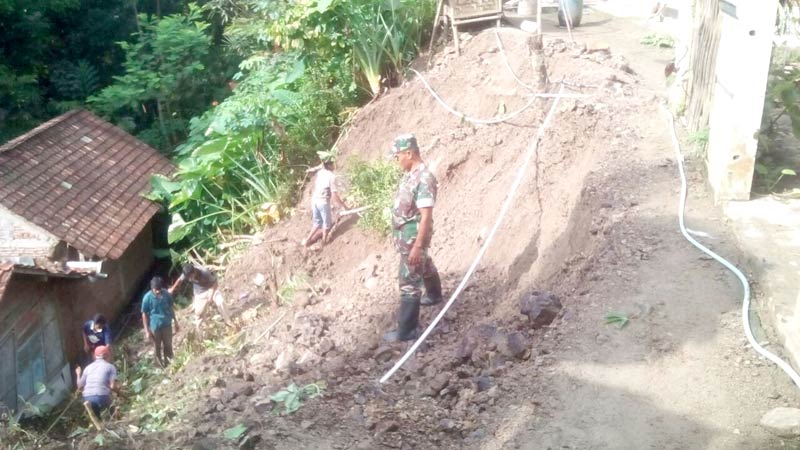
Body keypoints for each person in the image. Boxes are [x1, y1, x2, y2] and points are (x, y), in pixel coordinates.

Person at [383, 134, 444, 342]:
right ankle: (435, 295)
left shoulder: (424, 178)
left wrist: (418, 246)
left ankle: (407, 330)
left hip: (413, 239)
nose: (396, 159)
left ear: (409, 153)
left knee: (409, 280)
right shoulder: (410, 174)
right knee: (423, 264)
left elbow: (426, 216)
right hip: (407, 238)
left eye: (398, 155)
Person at [302, 153, 348, 248]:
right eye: (333, 164)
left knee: (317, 223)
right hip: (323, 202)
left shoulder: (321, 172)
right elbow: (334, 196)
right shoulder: (331, 177)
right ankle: (324, 242)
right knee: (327, 225)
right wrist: (344, 206)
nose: (335, 165)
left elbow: (319, 167)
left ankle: (307, 240)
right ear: (330, 165)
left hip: (314, 200)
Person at [142, 276, 180, 367]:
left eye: (159, 289)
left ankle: (170, 364)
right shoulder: (147, 298)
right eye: (156, 290)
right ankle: (158, 366)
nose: (158, 291)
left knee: (168, 345)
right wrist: (147, 331)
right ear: (152, 289)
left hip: (167, 324)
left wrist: (175, 321)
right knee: (157, 347)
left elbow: (171, 307)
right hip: (155, 327)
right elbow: (144, 314)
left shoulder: (166, 294)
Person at [75, 345, 118, 418]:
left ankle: (100, 423)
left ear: (95, 356)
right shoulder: (111, 367)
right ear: (107, 355)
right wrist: (118, 392)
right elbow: (112, 386)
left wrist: (78, 374)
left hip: (87, 397)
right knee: (112, 409)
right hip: (102, 395)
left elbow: (79, 386)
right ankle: (115, 419)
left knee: (97, 417)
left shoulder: (87, 368)